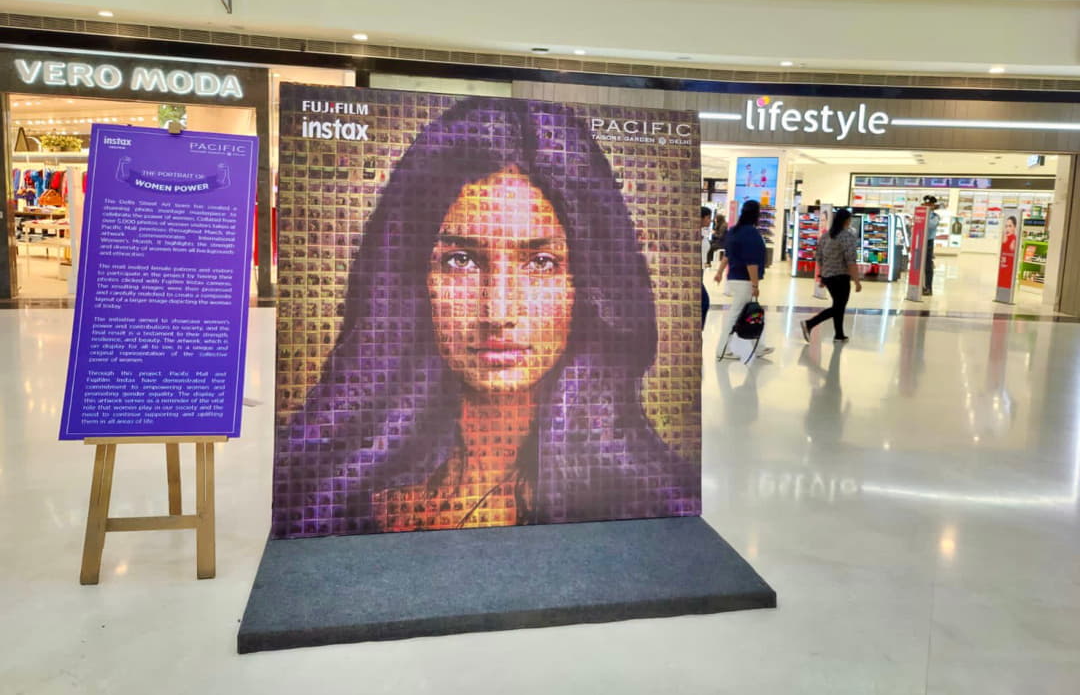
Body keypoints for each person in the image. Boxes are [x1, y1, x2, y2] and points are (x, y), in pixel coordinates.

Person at [272, 98, 699, 538]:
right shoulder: (317, 485)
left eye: (541, 263)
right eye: (461, 261)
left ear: (589, 283)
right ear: (412, 276)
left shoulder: (653, 498)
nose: (497, 311)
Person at [714, 200, 772, 359]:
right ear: (756, 214)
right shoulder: (751, 233)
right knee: (736, 314)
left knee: (749, 313)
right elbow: (751, 262)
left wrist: (719, 272)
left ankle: (759, 347)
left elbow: (727, 254)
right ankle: (723, 348)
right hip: (744, 280)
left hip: (734, 277)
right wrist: (755, 284)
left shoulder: (734, 231)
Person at [801, 208, 862, 343]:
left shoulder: (826, 235)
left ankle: (839, 335)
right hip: (841, 276)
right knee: (839, 306)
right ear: (847, 220)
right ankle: (809, 324)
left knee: (838, 304)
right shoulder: (847, 236)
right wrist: (857, 281)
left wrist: (822, 276)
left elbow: (819, 257)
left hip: (828, 276)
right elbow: (851, 260)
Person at [923, 196, 940, 296]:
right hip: (920, 242)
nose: (927, 206)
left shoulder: (935, 216)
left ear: (933, 205)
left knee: (928, 266)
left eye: (930, 204)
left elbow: (929, 226)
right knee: (918, 266)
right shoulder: (920, 214)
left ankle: (928, 288)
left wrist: (928, 213)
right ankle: (920, 286)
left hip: (928, 242)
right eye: (926, 204)